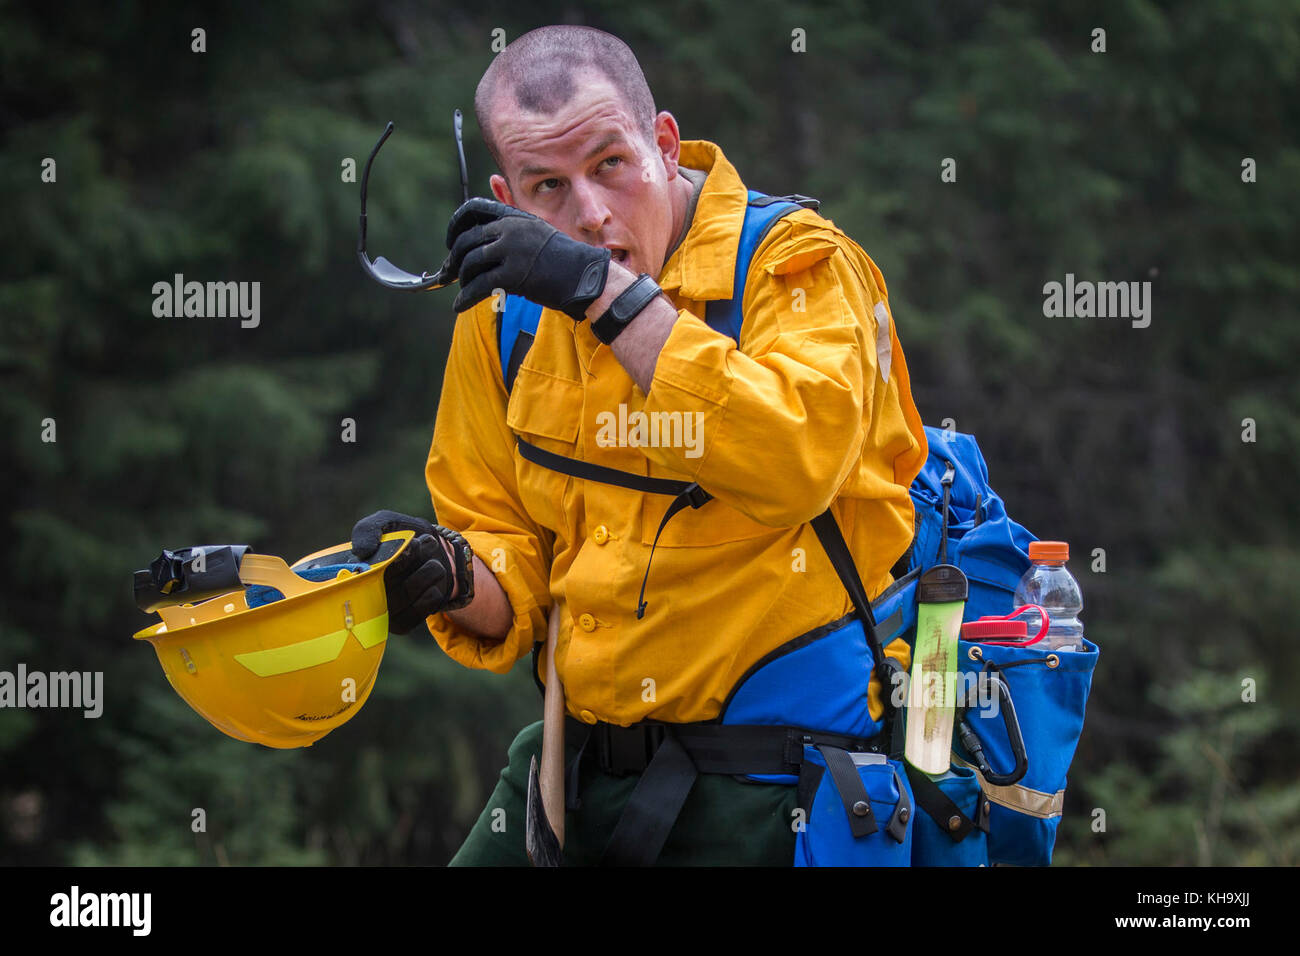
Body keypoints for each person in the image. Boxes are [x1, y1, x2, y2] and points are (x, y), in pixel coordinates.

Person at [351, 24, 928, 866]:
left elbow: (793, 462)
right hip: (572, 769)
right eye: (550, 187)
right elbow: (504, 543)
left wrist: (606, 296)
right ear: (509, 200)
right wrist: (445, 575)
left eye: (610, 164)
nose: (589, 214)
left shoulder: (801, 267)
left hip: (779, 787)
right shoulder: (501, 315)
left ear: (663, 143)